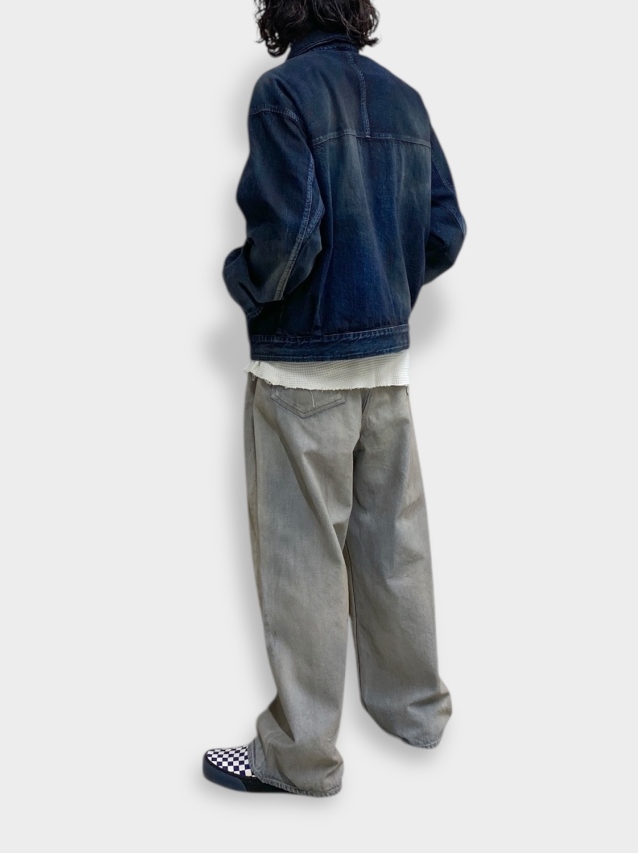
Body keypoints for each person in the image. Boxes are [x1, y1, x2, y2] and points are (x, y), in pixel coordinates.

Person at [203, 0, 467, 797]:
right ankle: (414, 712)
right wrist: (387, 290)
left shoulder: (282, 94)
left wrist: (245, 285)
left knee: (304, 560)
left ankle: (300, 757)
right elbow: (445, 229)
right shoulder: (403, 98)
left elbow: (291, 232)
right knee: (395, 546)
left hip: (302, 370)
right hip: (386, 364)